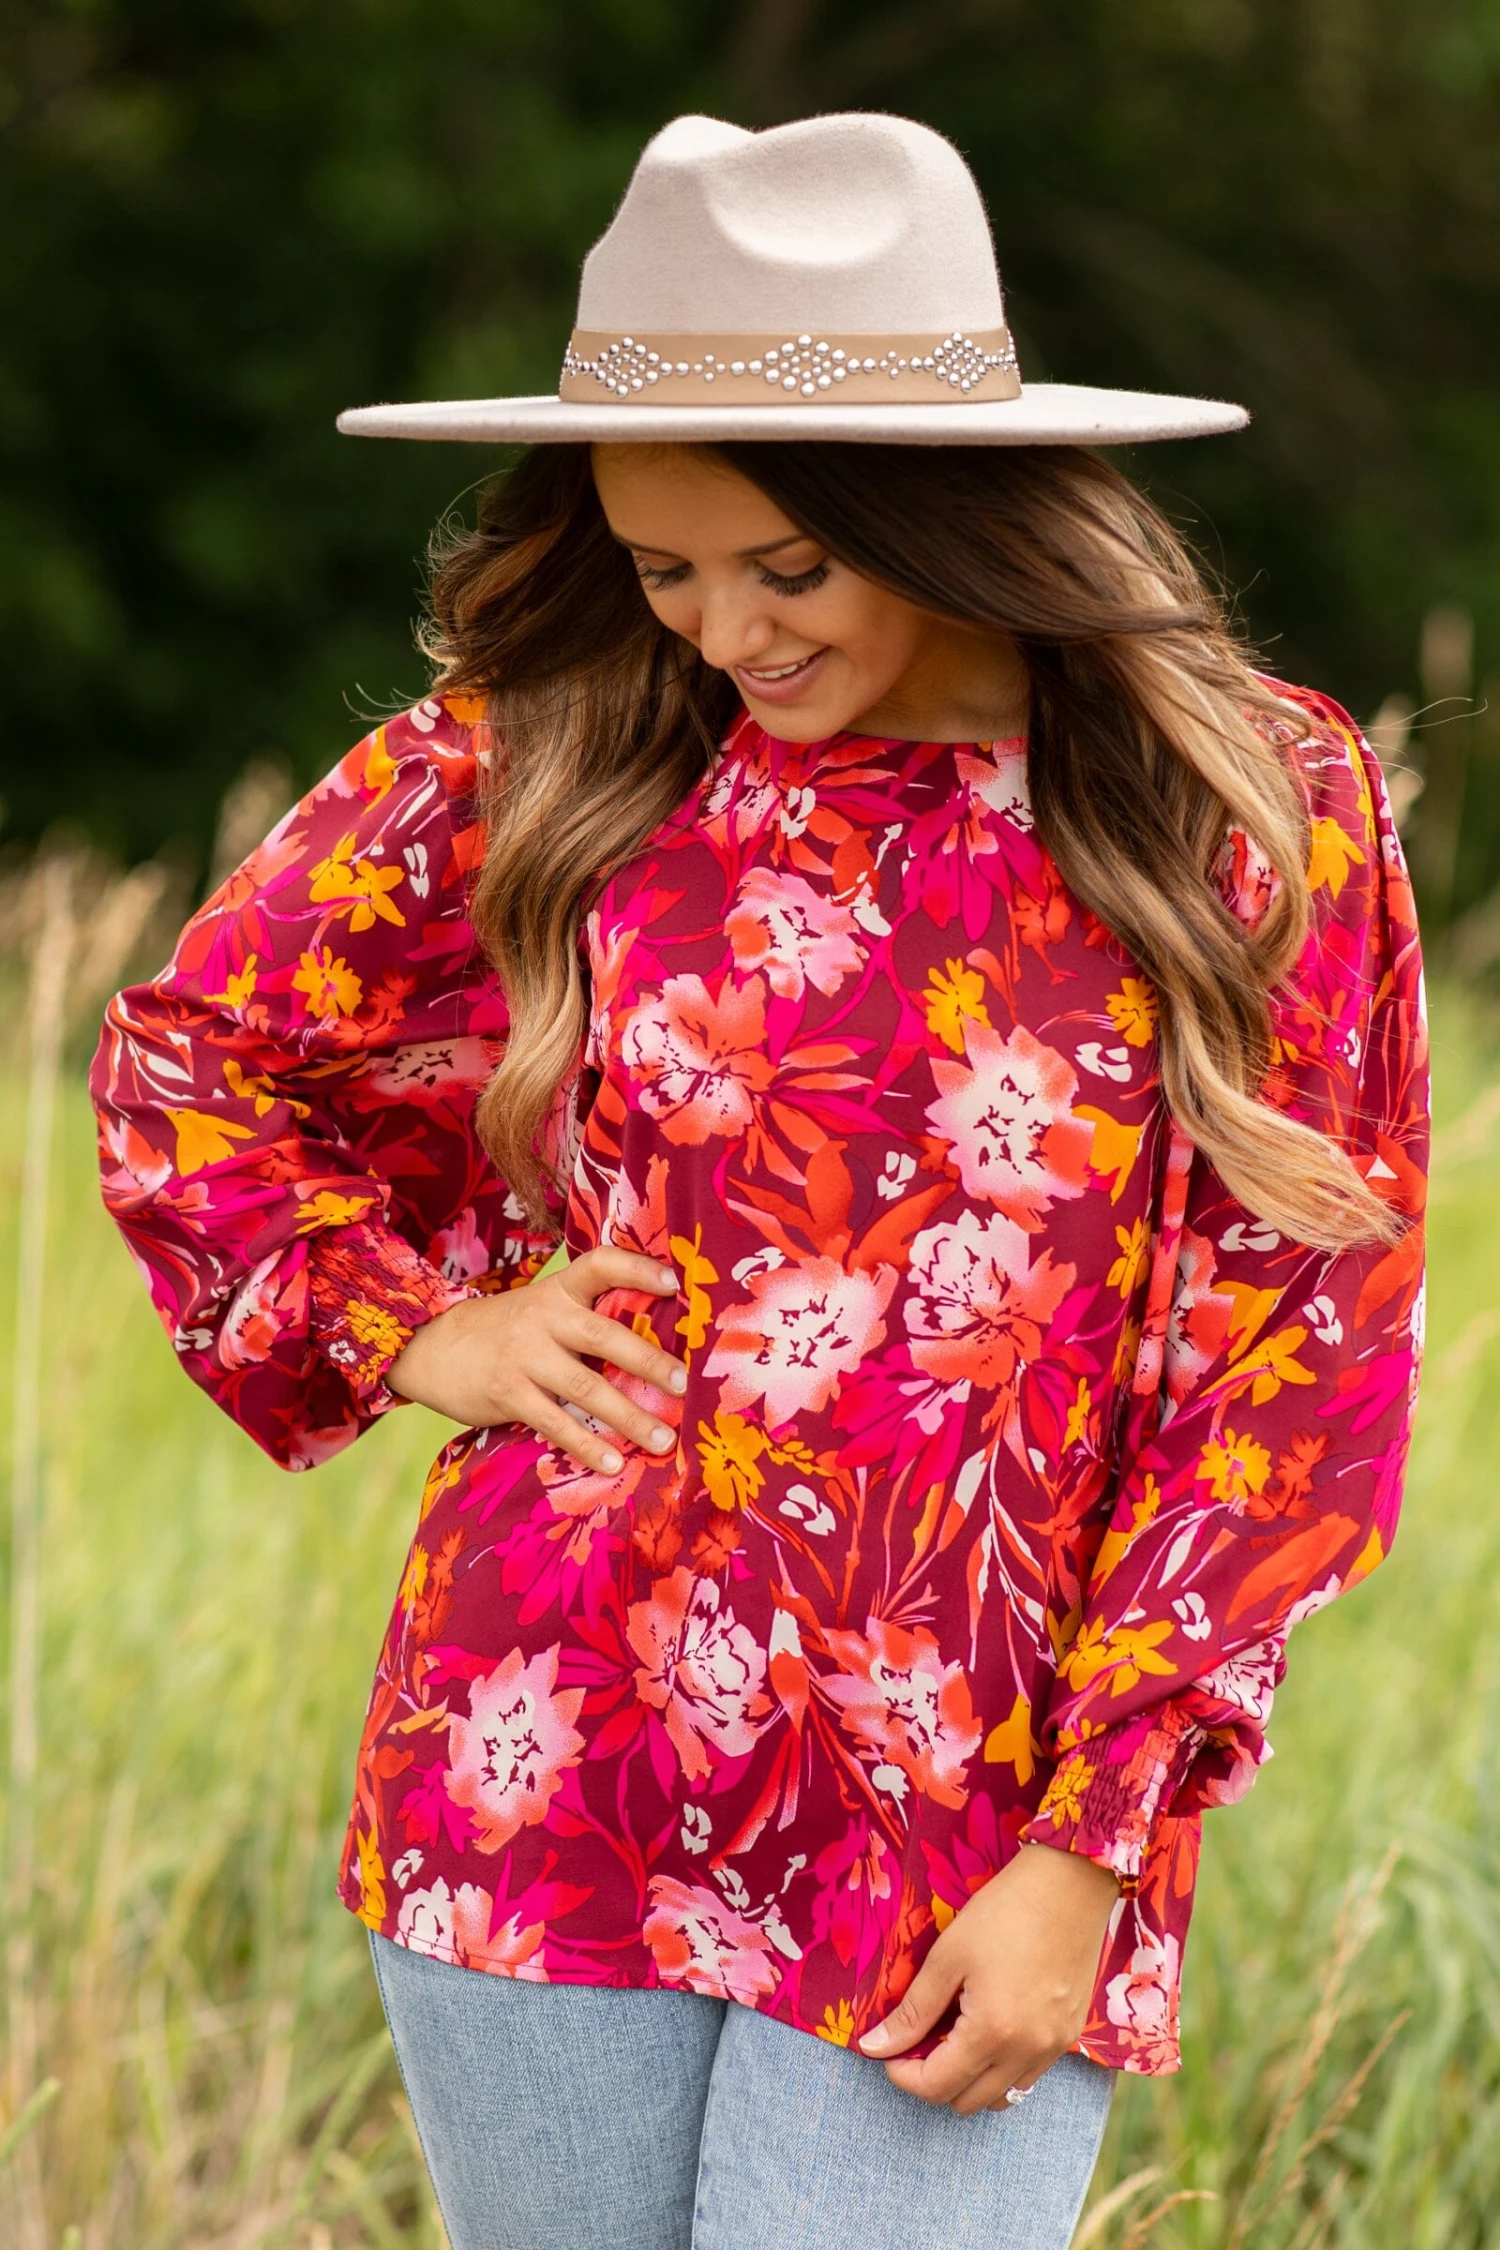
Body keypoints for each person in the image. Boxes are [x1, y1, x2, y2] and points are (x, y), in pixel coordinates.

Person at [91, 111, 1428, 2250]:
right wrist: (423, 1331)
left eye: (787, 566)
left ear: (959, 505)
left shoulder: (1250, 804)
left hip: (975, 1812)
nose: (726, 629)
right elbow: (197, 1063)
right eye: (662, 564)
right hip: (540, 1758)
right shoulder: (546, 747)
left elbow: (1295, 1367)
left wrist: (1089, 1855)